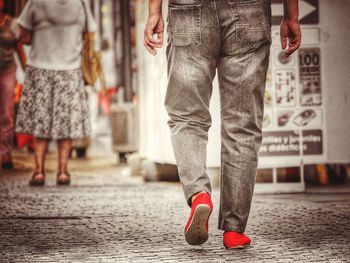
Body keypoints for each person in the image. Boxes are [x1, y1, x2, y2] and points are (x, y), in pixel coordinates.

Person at [144, 0, 301, 249]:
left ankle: (199, 194)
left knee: (187, 116)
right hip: (250, 10)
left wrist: (154, 11)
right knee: (242, 123)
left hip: (188, 8)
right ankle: (234, 230)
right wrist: (291, 15)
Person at [15, 0, 97, 186]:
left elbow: (22, 35)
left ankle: (38, 171)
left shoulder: (35, 2)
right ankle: (62, 171)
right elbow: (89, 32)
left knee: (40, 124)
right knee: (65, 123)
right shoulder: (81, 3)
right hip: (70, 68)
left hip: (40, 67)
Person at [0, 0, 26, 170]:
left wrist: (28, 72)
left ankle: (5, 153)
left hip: (7, 71)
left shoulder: (12, 24)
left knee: (7, 113)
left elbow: (20, 48)